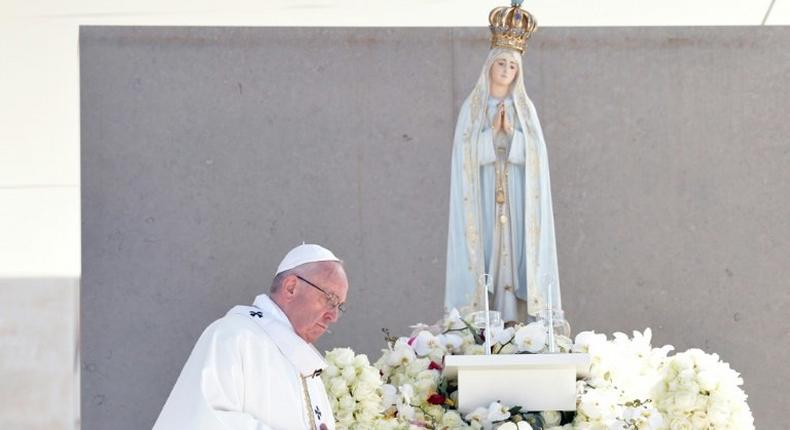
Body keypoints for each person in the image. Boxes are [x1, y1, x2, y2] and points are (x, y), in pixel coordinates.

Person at [445, 4, 562, 322]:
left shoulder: (524, 109)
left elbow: (537, 158)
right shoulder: (473, 107)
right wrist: (489, 136)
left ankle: (516, 316)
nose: (507, 70)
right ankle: (486, 314)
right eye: (501, 63)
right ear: (489, 66)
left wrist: (512, 136)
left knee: (515, 247)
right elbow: (464, 156)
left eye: (513, 65)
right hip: (483, 194)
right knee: (488, 250)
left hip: (517, 194)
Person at [153, 244, 348, 430]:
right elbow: (204, 420)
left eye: (339, 306)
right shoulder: (233, 337)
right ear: (291, 287)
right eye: (329, 299)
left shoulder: (308, 370)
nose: (334, 316)